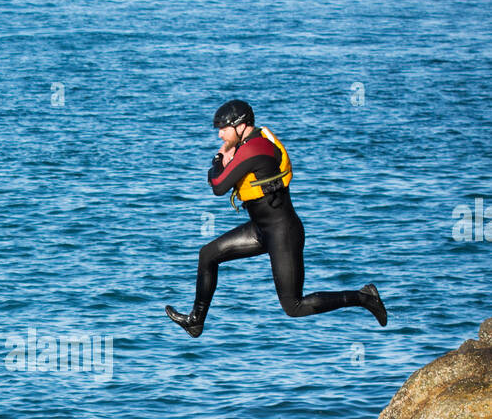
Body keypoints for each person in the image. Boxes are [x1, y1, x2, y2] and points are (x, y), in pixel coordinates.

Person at [165, 99, 388, 338]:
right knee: (207, 254)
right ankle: (196, 322)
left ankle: (364, 297)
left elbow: (218, 185)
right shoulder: (248, 144)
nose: (220, 135)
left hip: (283, 233)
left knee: (293, 306)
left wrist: (219, 160)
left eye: (223, 128)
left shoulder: (255, 148)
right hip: (261, 229)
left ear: (241, 126)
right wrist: (224, 161)